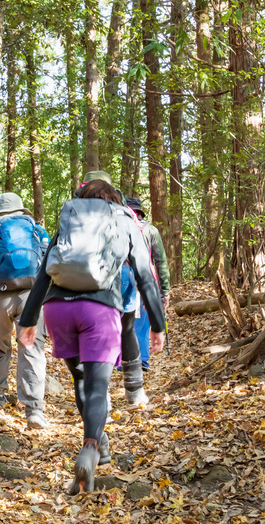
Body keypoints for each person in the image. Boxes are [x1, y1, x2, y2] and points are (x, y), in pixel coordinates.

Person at [18, 179, 165, 494]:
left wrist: (29, 319)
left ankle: (103, 446)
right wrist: (157, 322)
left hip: (58, 309)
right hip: (99, 310)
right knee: (97, 386)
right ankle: (90, 447)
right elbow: (144, 273)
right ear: (116, 199)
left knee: (81, 380)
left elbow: (46, 268)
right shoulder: (125, 219)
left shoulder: (71, 216)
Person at [0, 192, 51, 429]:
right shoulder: (36, 229)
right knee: (32, 347)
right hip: (32, 296)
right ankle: (34, 409)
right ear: (20, 210)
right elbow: (49, 263)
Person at [81, 173, 148, 406]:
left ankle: (103, 394)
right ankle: (135, 391)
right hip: (123, 274)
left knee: (95, 335)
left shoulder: (75, 209)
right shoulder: (122, 208)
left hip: (86, 277)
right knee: (126, 329)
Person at [124, 196, 170, 373]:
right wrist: (164, 290)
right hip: (145, 277)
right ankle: (141, 359)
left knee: (122, 318)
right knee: (142, 322)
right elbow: (161, 261)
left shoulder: (118, 227)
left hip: (121, 278)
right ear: (140, 213)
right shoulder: (151, 230)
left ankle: (123, 360)